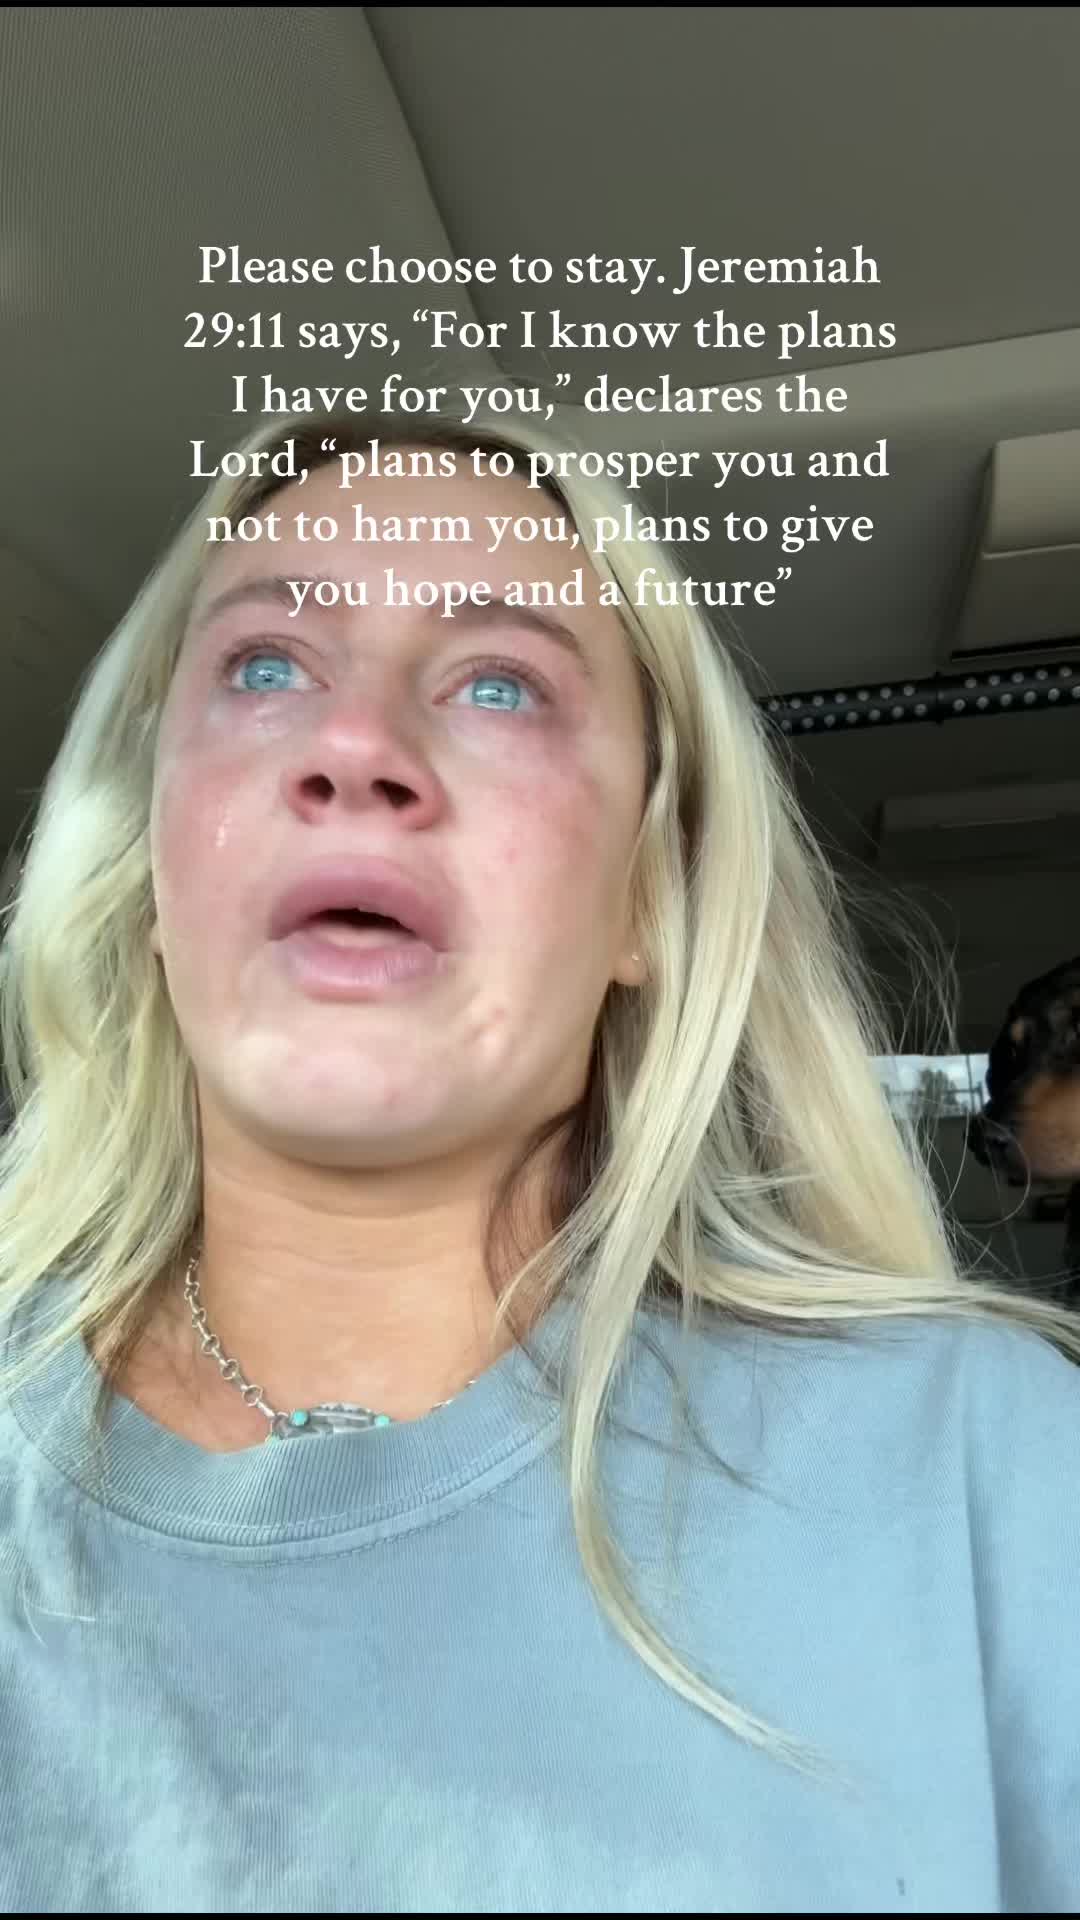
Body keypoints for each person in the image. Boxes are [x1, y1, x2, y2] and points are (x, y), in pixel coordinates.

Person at [0, 407, 1077, 1915]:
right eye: (266, 666)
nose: (355, 748)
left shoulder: (994, 1467)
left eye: (499, 684)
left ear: (647, 898)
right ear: (152, 865)